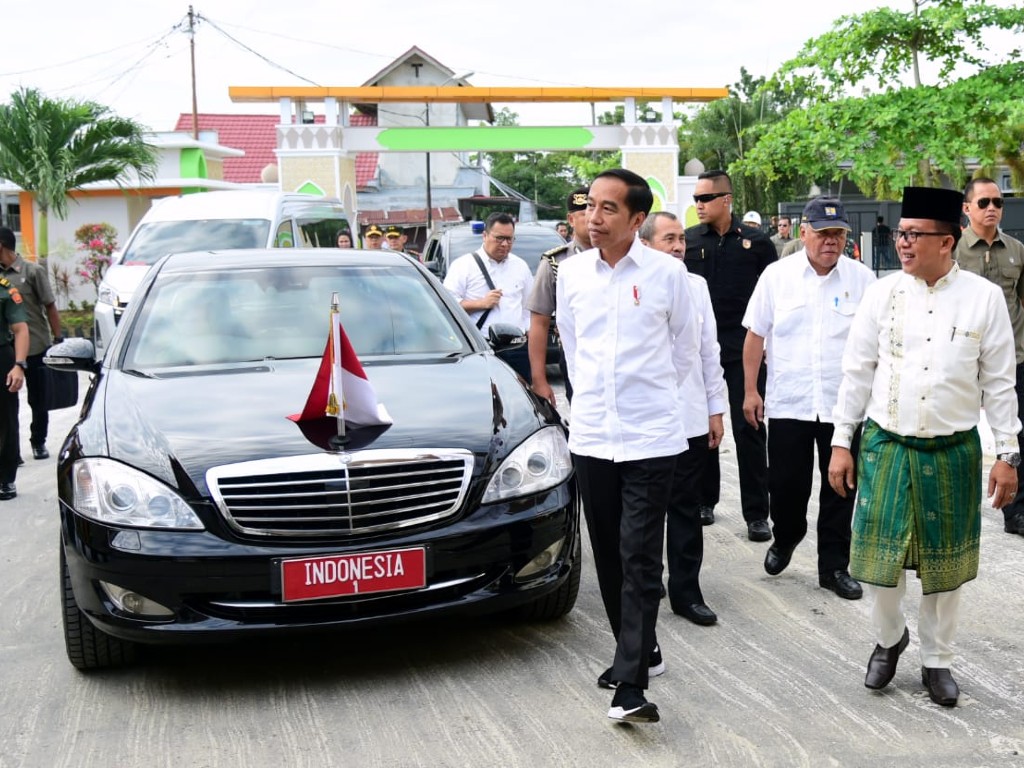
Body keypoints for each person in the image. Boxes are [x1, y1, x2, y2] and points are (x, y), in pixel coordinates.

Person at [828, 186, 1020, 708]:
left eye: (915, 235)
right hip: (886, 445)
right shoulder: (882, 293)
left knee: (946, 565)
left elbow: (1000, 383)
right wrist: (841, 442)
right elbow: (856, 372)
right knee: (879, 562)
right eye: (900, 233)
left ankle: (939, 659)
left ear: (948, 242)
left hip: (954, 450)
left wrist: (1007, 454)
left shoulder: (983, 298)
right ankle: (890, 639)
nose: (903, 244)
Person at [558, 168, 698, 724]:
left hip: (649, 437)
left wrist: (652, 400)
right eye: (591, 206)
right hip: (593, 434)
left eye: (608, 209)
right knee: (610, 556)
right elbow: (572, 347)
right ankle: (638, 648)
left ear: (637, 220)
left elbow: (684, 350)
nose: (594, 217)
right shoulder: (570, 275)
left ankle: (631, 684)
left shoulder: (668, 275)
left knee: (641, 555)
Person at [740, 199, 875, 599]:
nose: (830, 242)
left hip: (843, 406)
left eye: (838, 235)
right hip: (790, 402)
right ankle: (786, 537)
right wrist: (750, 390)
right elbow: (754, 336)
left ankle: (834, 567)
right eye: (822, 234)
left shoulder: (864, 280)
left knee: (840, 489)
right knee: (785, 486)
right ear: (803, 234)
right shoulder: (776, 276)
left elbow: (877, 344)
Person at [639, 211, 725, 625]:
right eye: (668, 239)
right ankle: (646, 582)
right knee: (645, 510)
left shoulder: (697, 286)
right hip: (645, 419)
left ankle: (686, 592)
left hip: (689, 416)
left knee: (686, 509)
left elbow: (710, 351)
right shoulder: (634, 287)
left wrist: (715, 408)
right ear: (647, 243)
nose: (678, 246)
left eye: (680, 240)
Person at [685, 170, 775, 540]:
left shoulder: (757, 242)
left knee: (749, 427)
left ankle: (757, 514)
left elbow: (772, 298)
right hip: (701, 351)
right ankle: (705, 501)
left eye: (705, 199)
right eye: (696, 199)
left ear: (727, 200)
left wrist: (769, 344)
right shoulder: (688, 242)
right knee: (705, 425)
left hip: (744, 352)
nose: (699, 206)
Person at [953, 177, 1024, 538]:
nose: (992, 208)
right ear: (967, 209)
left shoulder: (1016, 249)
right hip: (964, 360)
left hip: (1015, 356)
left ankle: (1017, 510)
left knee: (1016, 432)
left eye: (997, 201)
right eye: (983, 202)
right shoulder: (952, 252)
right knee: (959, 432)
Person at [443, 212, 532, 380]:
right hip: (481, 348)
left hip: (517, 349)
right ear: (484, 235)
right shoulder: (463, 266)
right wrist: (480, 303)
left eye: (510, 239)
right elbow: (447, 307)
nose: (505, 244)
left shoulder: (520, 266)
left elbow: (528, 309)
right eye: (499, 238)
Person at [0, 228, 62, 462]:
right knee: (7, 406)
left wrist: (57, 339)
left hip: (35, 344)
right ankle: (11, 453)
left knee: (38, 399)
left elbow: (50, 306)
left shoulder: (33, 271)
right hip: (7, 349)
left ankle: (38, 441)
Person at [526, 186, 590, 407]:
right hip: (577, 357)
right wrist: (539, 380)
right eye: (584, 214)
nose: (592, 219)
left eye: (596, 211)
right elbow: (539, 323)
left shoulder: (618, 257)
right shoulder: (556, 263)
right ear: (571, 219)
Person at [0, 258, 29, 500]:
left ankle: (6, 479)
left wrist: (19, 365)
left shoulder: (5, 288)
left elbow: (20, 329)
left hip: (1, 357)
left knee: (6, 421)